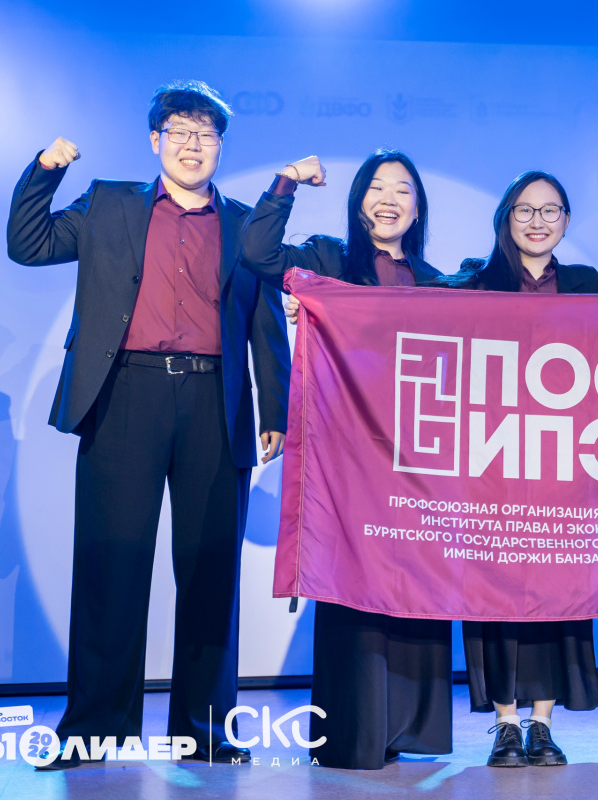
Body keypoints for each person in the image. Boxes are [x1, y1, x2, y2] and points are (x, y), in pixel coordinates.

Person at [5, 80, 290, 769]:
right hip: (124, 394)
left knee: (210, 571)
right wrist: (45, 169)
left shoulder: (244, 223)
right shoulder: (108, 204)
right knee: (112, 565)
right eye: (180, 132)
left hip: (214, 401)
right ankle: (94, 729)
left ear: (220, 146)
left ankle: (207, 730)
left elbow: (265, 324)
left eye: (206, 135)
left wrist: (276, 410)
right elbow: (27, 243)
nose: (193, 146)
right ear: (156, 140)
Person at [238, 150, 451, 771]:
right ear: (359, 203)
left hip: (418, 461)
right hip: (346, 456)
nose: (389, 200)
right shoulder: (329, 260)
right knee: (353, 586)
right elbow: (256, 252)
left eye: (403, 190)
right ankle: (354, 730)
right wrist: (286, 183)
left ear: (418, 208)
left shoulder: (437, 283)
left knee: (414, 583)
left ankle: (408, 726)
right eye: (377, 188)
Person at [438, 170, 598, 768]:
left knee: (559, 591)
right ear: (506, 218)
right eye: (525, 210)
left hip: (564, 461)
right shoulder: (475, 282)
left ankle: (543, 724)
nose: (538, 221)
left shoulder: (587, 284)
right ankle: (506, 724)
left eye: (550, 210)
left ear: (566, 220)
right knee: (496, 594)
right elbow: (400, 312)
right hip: (494, 463)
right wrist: (320, 307)